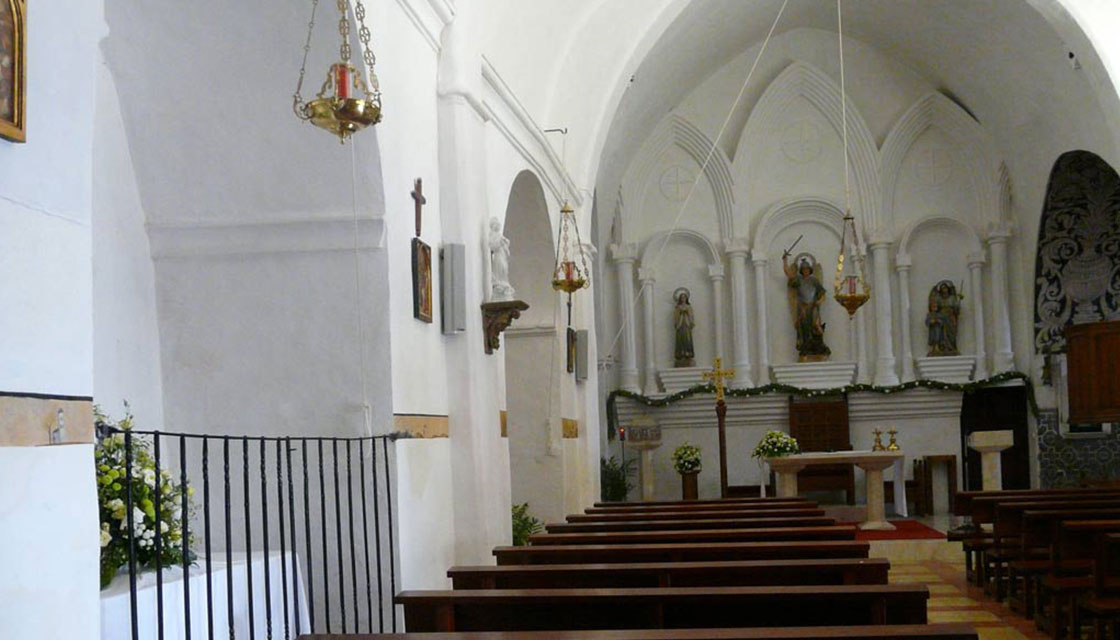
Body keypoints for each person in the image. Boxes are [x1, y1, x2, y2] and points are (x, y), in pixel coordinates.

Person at [782, 253, 831, 360]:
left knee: (816, 325)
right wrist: (785, 261)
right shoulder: (798, 280)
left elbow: (822, 293)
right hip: (803, 309)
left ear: (810, 270)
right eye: (803, 269)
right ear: (801, 270)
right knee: (804, 329)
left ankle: (819, 347)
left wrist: (819, 301)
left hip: (813, 307)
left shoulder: (814, 281)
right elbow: (788, 274)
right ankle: (806, 349)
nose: (806, 271)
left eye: (807, 269)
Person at [488, 217, 514, 301]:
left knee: (504, 269)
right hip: (498, 255)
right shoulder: (492, 235)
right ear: (493, 226)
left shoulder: (499, 235)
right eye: (496, 225)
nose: (498, 226)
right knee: (499, 268)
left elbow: (507, 244)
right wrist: (500, 242)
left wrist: (505, 242)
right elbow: (492, 246)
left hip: (502, 254)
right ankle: (499, 283)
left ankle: (503, 282)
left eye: (498, 225)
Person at [673, 288, 695, 367]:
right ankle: (680, 354)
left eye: (684, 297)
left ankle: (688, 354)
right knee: (680, 339)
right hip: (680, 325)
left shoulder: (689, 307)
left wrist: (687, 314)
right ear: (680, 299)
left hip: (687, 325)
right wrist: (680, 314)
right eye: (681, 297)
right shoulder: (677, 307)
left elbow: (691, 317)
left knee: (688, 339)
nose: (683, 299)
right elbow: (675, 317)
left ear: (686, 298)